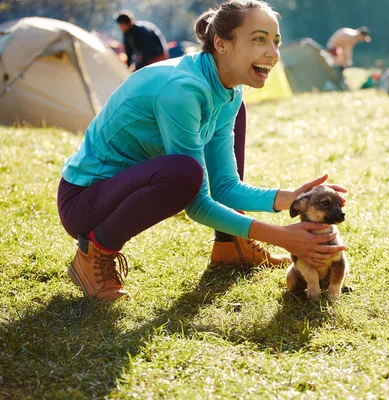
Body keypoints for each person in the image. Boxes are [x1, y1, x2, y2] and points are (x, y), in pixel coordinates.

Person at [58, 0, 347, 302]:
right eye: (259, 39)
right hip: (85, 203)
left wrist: (290, 199)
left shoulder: (229, 91)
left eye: (276, 42)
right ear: (221, 44)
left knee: (224, 129)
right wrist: (280, 236)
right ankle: (94, 253)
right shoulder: (181, 90)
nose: (273, 53)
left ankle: (230, 245)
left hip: (126, 188)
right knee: (184, 173)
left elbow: (224, 186)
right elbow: (195, 202)